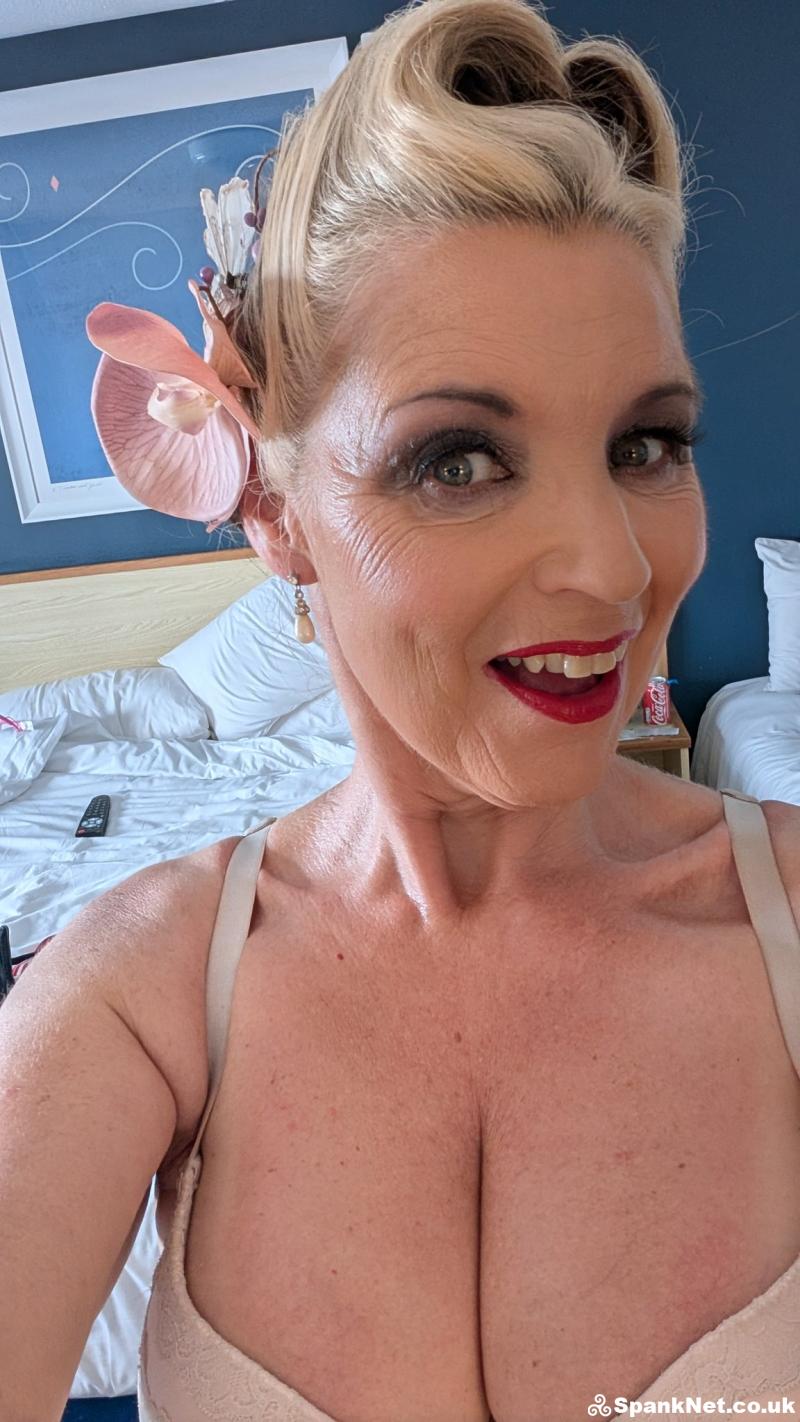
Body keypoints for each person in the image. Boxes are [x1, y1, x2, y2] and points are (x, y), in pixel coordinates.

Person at [3, 1, 800, 1418]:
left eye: (644, 444)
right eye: (459, 461)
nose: (616, 569)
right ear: (276, 513)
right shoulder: (137, 989)